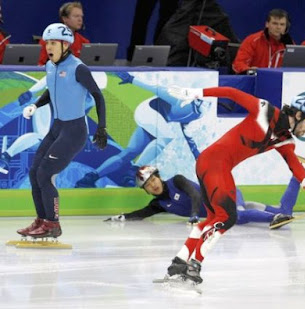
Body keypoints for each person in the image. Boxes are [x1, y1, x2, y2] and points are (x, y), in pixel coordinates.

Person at [163, 86, 305, 284]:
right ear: (299, 113)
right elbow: (232, 93)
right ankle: (194, 264)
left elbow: (293, 161)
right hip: (215, 163)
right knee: (228, 217)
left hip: (216, 165)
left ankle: (179, 262)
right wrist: (198, 93)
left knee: (214, 217)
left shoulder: (285, 139)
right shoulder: (266, 110)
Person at [16, 23, 107, 239]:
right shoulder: (50, 66)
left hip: (74, 131)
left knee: (45, 174)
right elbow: (52, 90)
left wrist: (101, 127)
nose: (48, 47)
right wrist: (36, 105)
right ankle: (41, 220)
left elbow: (98, 96)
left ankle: (53, 224)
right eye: (47, 42)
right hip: (56, 127)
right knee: (34, 172)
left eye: (53, 43)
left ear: (65, 45)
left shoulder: (78, 68)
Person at [75, 71, 211, 188]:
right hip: (148, 112)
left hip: (154, 120)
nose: (206, 105)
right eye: (205, 102)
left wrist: (198, 157)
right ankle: (134, 171)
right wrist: (132, 80)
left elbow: (188, 136)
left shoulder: (195, 114)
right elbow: (156, 89)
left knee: (130, 152)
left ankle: (91, 177)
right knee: (166, 137)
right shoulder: (180, 98)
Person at [105, 165, 305, 227]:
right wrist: (122, 217)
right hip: (223, 205)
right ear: (147, 191)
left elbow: (195, 194)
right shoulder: (160, 203)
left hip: (223, 193)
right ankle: (297, 177)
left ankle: (273, 219)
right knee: (283, 211)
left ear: (159, 177)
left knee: (237, 217)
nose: (153, 185)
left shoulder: (176, 180)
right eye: (149, 186)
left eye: (153, 180)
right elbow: (142, 213)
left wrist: (194, 215)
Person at [232, 8, 294, 74]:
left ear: (286, 27)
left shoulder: (290, 45)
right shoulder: (253, 40)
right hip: (255, 80)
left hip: (279, 81)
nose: (278, 27)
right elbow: (238, 64)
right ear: (267, 24)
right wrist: (249, 70)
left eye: (282, 24)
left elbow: (295, 68)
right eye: (275, 23)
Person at [38, 2, 89, 66]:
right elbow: (39, 65)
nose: (80, 20)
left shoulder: (84, 42)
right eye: (76, 16)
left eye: (81, 16)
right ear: (65, 18)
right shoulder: (49, 39)